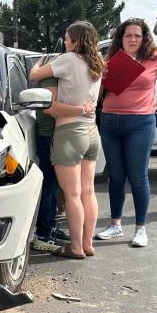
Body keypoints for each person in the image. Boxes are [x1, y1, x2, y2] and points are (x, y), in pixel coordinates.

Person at [95, 18, 157, 247]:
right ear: (120, 38)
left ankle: (140, 229)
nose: (133, 39)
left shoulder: (155, 57)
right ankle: (115, 225)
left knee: (138, 176)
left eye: (137, 35)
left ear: (144, 37)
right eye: (128, 35)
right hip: (109, 122)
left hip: (140, 123)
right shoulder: (110, 60)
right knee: (115, 176)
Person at [29, 21, 103, 259]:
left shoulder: (68, 59)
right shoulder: (98, 62)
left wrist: (41, 64)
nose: (65, 42)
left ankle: (76, 248)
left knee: (71, 195)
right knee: (88, 192)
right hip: (92, 132)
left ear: (76, 40)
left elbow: (35, 75)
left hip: (70, 133)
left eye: (68, 38)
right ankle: (88, 243)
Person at [29, 55, 70, 252]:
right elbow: (50, 108)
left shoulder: (54, 76)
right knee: (49, 185)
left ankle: (51, 227)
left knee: (53, 186)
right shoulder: (51, 78)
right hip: (49, 134)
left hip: (53, 134)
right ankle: (44, 233)